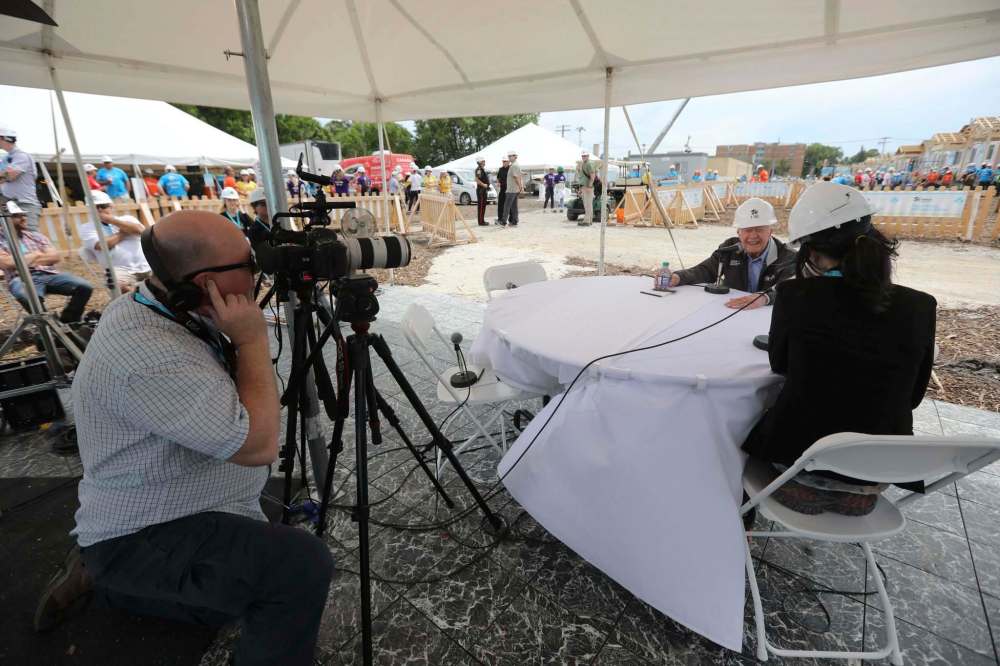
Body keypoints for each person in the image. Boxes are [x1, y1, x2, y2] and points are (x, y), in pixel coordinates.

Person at [32, 209, 334, 665]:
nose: (260, 271)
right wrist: (251, 341)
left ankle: (113, 579)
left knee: (236, 595)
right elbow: (258, 446)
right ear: (206, 282)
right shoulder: (149, 355)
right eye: (249, 264)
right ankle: (106, 575)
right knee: (299, 567)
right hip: (143, 530)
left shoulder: (168, 303)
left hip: (190, 500)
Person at [742, 181, 936, 516]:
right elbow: (914, 396)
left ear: (812, 253)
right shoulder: (921, 306)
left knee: (743, 420)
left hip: (793, 470)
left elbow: (781, 366)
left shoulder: (795, 297)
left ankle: (742, 523)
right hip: (872, 479)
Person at [670, 197, 796, 309]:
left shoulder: (788, 257)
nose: (753, 236)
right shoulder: (729, 248)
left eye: (759, 229)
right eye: (747, 230)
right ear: (739, 233)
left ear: (770, 232)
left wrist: (764, 298)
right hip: (731, 310)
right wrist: (678, 277)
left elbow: (791, 288)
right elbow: (706, 270)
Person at [0, 200, 93, 322]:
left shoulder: (35, 236)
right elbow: (6, 263)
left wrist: (23, 261)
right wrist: (36, 254)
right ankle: (49, 326)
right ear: (4, 221)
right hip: (20, 279)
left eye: (24, 215)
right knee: (27, 297)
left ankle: (69, 321)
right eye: (17, 216)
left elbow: (54, 257)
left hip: (49, 274)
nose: (23, 218)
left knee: (84, 287)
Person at [78, 190, 149, 292]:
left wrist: (111, 220)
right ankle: (139, 297)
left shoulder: (128, 218)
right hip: (118, 270)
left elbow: (140, 231)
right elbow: (102, 245)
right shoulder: (87, 227)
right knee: (118, 285)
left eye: (103, 206)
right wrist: (123, 233)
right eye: (95, 207)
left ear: (111, 206)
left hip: (146, 265)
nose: (100, 210)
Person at [0, 125, 42, 231]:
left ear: (3, 138)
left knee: (29, 236)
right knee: (10, 237)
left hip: (24, 204)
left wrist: (4, 175)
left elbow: (10, 175)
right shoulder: (6, 158)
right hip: (10, 205)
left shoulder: (21, 156)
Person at [501, 150, 522, 227]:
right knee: (514, 206)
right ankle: (515, 221)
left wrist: (520, 186)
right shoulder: (514, 165)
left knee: (507, 206)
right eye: (508, 156)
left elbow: (515, 177)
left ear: (515, 156)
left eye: (510, 156)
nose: (509, 158)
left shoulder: (514, 166)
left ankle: (504, 221)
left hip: (511, 189)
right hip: (513, 189)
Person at [577, 151, 596, 227]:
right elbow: (582, 177)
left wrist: (590, 186)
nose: (583, 157)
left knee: (588, 205)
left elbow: (592, 175)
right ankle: (589, 220)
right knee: (587, 205)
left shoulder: (589, 163)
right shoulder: (584, 164)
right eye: (582, 156)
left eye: (585, 156)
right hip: (584, 186)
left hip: (587, 187)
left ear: (588, 156)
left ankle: (587, 221)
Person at [474, 157, 489, 226]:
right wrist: (484, 185)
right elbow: (477, 179)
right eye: (483, 161)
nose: (484, 162)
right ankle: (480, 222)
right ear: (479, 162)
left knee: (483, 206)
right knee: (481, 206)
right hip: (481, 190)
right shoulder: (479, 170)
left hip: (483, 190)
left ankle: (482, 220)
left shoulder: (482, 169)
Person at [495, 158, 510, 224]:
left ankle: (510, 219)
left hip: (509, 189)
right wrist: (498, 182)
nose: (504, 162)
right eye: (503, 161)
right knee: (500, 204)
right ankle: (500, 218)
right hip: (502, 189)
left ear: (508, 162)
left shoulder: (510, 168)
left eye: (505, 161)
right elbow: (498, 177)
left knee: (509, 204)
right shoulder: (500, 169)